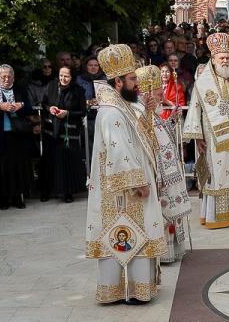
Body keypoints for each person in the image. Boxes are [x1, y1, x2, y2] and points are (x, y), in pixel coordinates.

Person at [85, 44, 167, 304]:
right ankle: (131, 290)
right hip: (125, 192)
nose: (137, 84)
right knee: (130, 234)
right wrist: (138, 183)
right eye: (132, 79)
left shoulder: (121, 106)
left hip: (125, 188)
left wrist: (150, 109)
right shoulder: (112, 113)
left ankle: (130, 288)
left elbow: (140, 137)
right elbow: (120, 151)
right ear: (118, 82)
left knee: (129, 236)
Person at [182, 33, 229, 229]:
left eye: (227, 58)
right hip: (213, 139)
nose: (225, 61)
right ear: (213, 59)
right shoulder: (203, 82)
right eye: (221, 58)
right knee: (216, 175)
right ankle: (215, 217)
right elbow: (195, 110)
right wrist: (198, 137)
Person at [135, 65, 191, 264]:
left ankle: (173, 249)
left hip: (168, 175)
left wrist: (173, 120)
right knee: (162, 213)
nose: (160, 97)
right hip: (156, 175)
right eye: (157, 94)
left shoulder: (155, 114)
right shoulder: (139, 115)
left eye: (160, 94)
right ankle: (163, 252)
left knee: (171, 212)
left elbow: (163, 134)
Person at [0, 64, 34, 209]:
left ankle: (18, 197)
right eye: (3, 76)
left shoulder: (19, 89)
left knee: (18, 166)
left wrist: (20, 105)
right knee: (1, 167)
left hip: (17, 134)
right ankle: (3, 198)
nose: (6, 79)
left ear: (13, 77)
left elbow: (30, 107)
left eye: (9, 76)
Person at [41, 66, 87, 202]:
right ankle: (46, 191)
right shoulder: (51, 86)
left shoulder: (78, 90)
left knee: (67, 163)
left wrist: (67, 113)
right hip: (51, 131)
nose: (63, 79)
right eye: (61, 75)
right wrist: (50, 108)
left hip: (69, 132)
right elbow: (43, 104)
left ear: (72, 77)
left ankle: (68, 192)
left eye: (66, 76)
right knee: (49, 162)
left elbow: (82, 111)